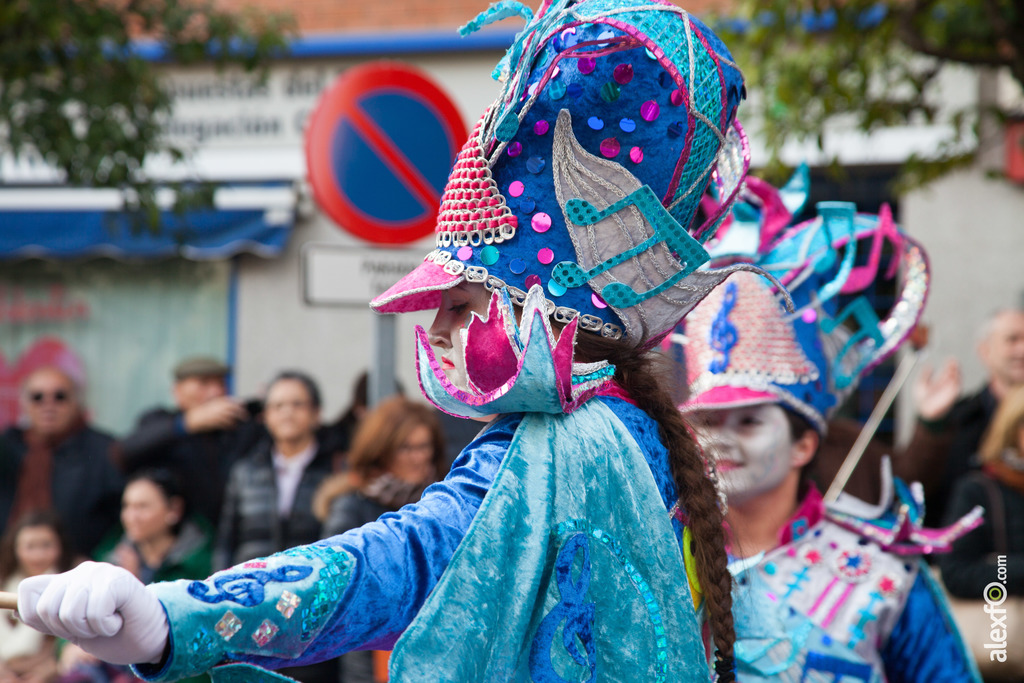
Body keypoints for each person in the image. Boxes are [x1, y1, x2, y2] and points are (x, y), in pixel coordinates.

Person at [17, 2, 751, 680]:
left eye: (459, 304)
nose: (433, 330)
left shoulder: (551, 450)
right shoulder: (640, 427)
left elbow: (405, 558)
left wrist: (178, 617)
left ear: (541, 309)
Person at [677, 191, 982, 680]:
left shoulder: (883, 579)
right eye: (708, 422)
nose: (722, 440)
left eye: (751, 420)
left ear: (805, 444)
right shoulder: (662, 559)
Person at [215, 371, 337, 683]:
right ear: (266, 416)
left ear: (316, 413)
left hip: (312, 620)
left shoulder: (335, 474)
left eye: (297, 404)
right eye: (278, 405)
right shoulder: (244, 473)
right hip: (251, 612)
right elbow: (226, 542)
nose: (287, 412)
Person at [313, 397, 445, 683]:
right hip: (370, 656)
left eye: (424, 446)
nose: (418, 457)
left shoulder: (442, 503)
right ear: (381, 450)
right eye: (406, 448)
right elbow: (336, 585)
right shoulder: (352, 506)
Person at [118, 357, 264, 530]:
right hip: (184, 538)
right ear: (178, 391)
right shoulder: (162, 422)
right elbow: (124, 452)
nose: (216, 392)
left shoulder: (237, 428)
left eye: (220, 384)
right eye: (204, 384)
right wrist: (187, 423)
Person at [0, 367, 123, 558]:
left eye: (60, 396)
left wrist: (100, 559)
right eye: (37, 397)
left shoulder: (103, 450)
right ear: (24, 403)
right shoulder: (9, 446)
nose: (48, 405)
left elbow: (123, 517)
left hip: (78, 571)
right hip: (9, 571)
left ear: (77, 402)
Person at [919, 308, 1024, 526]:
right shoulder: (955, 420)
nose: (1022, 349)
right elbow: (921, 492)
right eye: (1012, 339)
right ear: (985, 350)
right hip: (976, 552)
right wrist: (930, 425)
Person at [938, 384, 1024, 598]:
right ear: (1012, 430)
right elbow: (956, 573)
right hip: (1005, 626)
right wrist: (1015, 571)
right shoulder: (979, 490)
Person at [0, 511, 71, 683]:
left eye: (46, 545)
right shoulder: (3, 581)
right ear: (15, 548)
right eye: (30, 546)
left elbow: (71, 648)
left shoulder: (73, 587)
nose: (38, 556)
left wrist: (50, 669)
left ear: (60, 546)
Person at [107, 469, 212, 585]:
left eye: (143, 507)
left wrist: (133, 584)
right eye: (127, 506)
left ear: (174, 509)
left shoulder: (202, 564)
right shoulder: (111, 557)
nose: (131, 517)